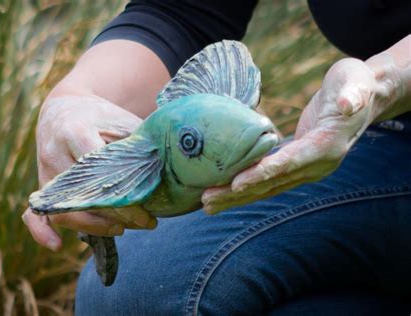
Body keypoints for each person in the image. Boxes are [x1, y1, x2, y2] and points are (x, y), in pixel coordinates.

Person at [22, 0, 411, 314]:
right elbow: (180, 13)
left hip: (382, 108)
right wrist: (74, 98)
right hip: (383, 130)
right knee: (136, 292)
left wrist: (384, 81)